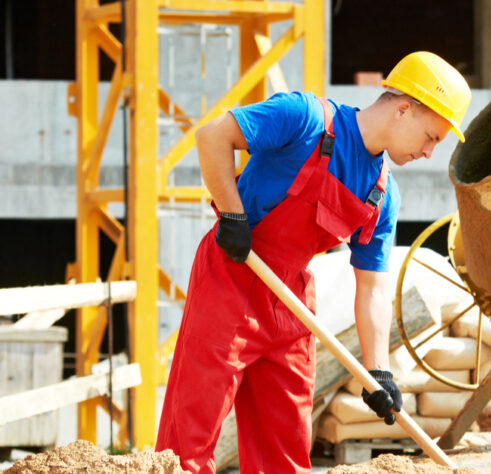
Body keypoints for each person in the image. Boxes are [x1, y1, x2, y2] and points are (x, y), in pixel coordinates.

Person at [156, 51, 472, 473]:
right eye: (432, 136)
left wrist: (379, 373)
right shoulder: (303, 118)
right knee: (190, 436)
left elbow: (372, 288)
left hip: (290, 301)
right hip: (233, 273)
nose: (430, 152)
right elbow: (212, 136)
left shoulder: (383, 195)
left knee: (284, 450)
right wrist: (232, 215)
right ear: (403, 109)